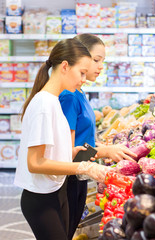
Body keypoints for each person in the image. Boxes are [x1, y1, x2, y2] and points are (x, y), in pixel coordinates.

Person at [14, 38, 113, 240]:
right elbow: (34, 163)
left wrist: (71, 153)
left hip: (55, 189)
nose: (84, 79)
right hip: (40, 198)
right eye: (82, 72)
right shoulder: (43, 104)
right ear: (65, 66)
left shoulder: (53, 101)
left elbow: (49, 151)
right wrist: (84, 168)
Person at [59, 34, 137, 240]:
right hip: (69, 177)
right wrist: (105, 151)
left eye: (102, 60)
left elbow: (82, 137)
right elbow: (67, 148)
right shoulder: (69, 95)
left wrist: (100, 145)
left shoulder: (80, 92)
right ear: (79, 58)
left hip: (80, 175)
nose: (100, 66)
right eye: (96, 60)